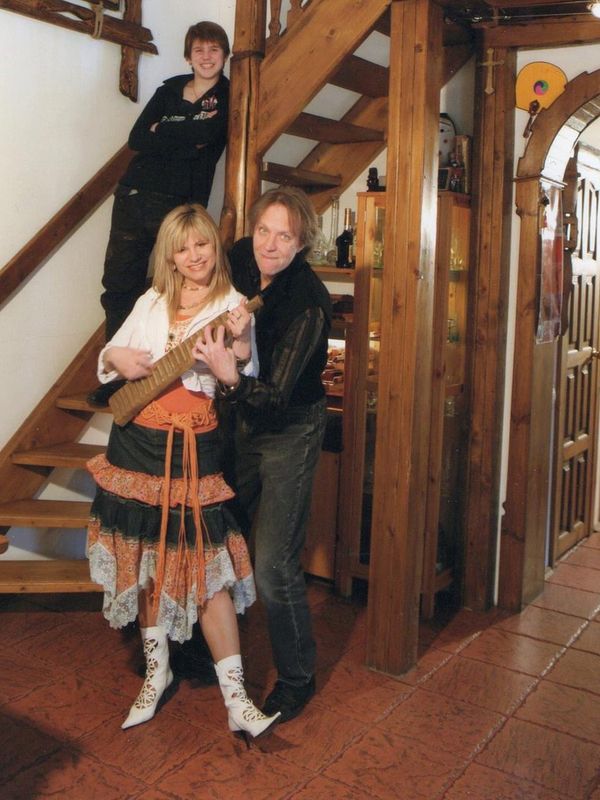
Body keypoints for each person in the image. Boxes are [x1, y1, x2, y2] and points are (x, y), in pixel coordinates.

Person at [87, 204, 280, 741]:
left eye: (203, 244)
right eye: (183, 247)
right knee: (146, 563)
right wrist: (118, 358)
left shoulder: (232, 305)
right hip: (137, 445)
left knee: (209, 571)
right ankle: (157, 674)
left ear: (216, 247)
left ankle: (237, 701)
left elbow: (245, 368)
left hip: (193, 448)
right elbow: (110, 354)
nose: (195, 256)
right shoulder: (152, 300)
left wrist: (238, 346)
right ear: (169, 255)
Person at [194, 186, 332, 723]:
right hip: (239, 421)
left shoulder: (308, 304)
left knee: (273, 564)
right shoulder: (240, 260)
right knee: (216, 535)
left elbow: (274, 398)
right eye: (264, 231)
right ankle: (210, 648)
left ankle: (297, 677)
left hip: (289, 428)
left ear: (302, 243)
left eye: (285, 236)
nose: (270, 245)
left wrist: (228, 377)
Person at [89, 21, 230, 405]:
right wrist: (186, 138)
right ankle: (118, 374)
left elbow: (209, 137)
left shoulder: (229, 96)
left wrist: (163, 131)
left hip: (179, 206)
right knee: (118, 285)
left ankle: (166, 374)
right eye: (199, 50)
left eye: (214, 50)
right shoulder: (169, 89)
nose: (206, 57)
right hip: (134, 195)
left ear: (224, 56)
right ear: (188, 56)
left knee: (178, 287)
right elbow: (138, 138)